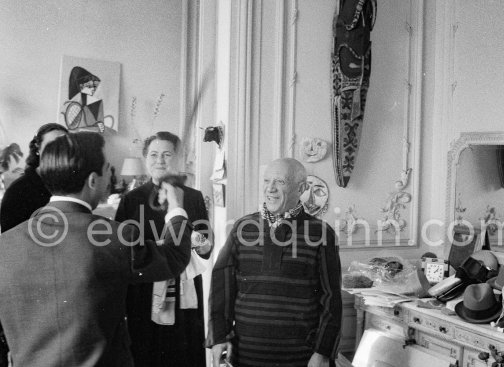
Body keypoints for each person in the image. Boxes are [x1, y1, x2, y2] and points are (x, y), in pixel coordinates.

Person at [0, 131, 193, 367]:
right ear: (93, 180)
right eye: (107, 170)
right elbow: (173, 257)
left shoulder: (5, 244)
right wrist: (176, 209)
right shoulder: (114, 236)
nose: (110, 177)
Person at [206, 158, 342, 367]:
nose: (270, 188)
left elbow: (331, 298)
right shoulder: (243, 228)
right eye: (267, 180)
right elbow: (221, 288)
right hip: (247, 355)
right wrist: (219, 337)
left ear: (302, 188)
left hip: (301, 358)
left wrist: (322, 352)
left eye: (280, 182)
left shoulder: (321, 233)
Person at [115, 131, 212, 367]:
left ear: (178, 159)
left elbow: (206, 248)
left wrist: (197, 240)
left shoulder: (193, 197)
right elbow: (119, 250)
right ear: (146, 158)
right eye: (154, 154)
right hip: (144, 290)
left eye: (167, 154)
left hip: (183, 288)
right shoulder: (131, 199)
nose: (160, 160)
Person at [0, 123, 68, 233]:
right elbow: (10, 241)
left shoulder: (73, 185)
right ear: (38, 150)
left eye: (65, 146)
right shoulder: (18, 191)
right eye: (51, 146)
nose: (59, 151)